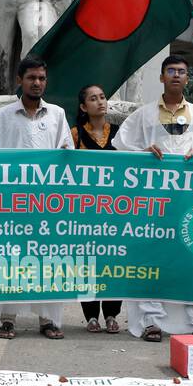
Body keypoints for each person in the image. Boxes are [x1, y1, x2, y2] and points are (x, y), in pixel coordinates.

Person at [112, 54, 193, 342]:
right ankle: (151, 321)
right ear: (162, 77)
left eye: (182, 71)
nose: (177, 76)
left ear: (187, 78)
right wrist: (144, 151)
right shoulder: (143, 114)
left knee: (192, 258)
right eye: (171, 71)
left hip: (189, 200)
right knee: (150, 258)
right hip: (152, 203)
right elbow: (121, 148)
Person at [0, 56, 73, 339]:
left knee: (48, 258)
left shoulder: (58, 115)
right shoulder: (5, 115)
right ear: (19, 81)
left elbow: (67, 156)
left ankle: (48, 320)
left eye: (41, 78)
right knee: (11, 256)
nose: (37, 83)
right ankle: (7, 318)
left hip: (49, 204)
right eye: (31, 78)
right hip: (13, 203)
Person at [71, 84, 122, 333]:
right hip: (84, 212)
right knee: (87, 260)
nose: (100, 102)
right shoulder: (75, 135)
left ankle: (112, 314)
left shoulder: (122, 134)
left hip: (116, 211)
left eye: (102, 97)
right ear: (83, 106)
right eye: (93, 98)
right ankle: (91, 315)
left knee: (114, 258)